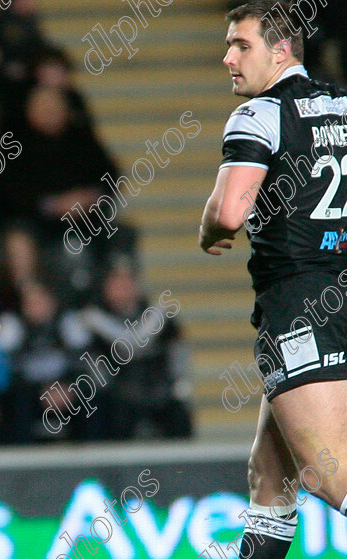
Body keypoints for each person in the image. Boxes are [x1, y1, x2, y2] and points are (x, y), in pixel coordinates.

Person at [199, 2, 347, 556]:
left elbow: (231, 211)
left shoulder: (260, 114)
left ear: (281, 50)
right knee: (270, 473)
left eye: (241, 45)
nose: (228, 57)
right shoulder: (342, 105)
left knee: (327, 476)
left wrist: (206, 229)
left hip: (301, 303)